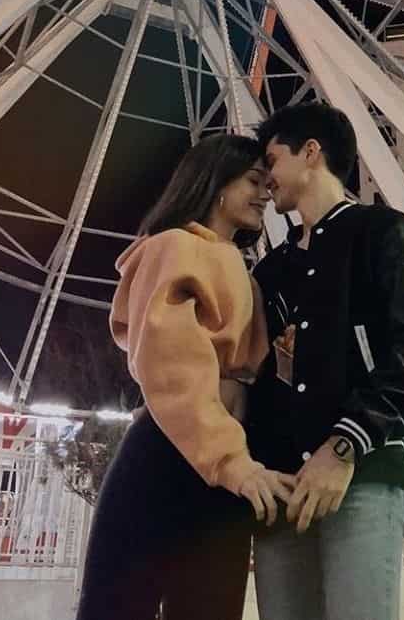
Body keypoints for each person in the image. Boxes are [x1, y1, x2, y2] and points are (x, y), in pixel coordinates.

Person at [247, 102, 404, 620]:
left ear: (311, 152)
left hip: (361, 476)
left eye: (272, 160)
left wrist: (343, 446)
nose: (265, 178)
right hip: (281, 490)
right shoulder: (274, 269)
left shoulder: (385, 234)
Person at [75, 134, 296, 620]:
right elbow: (172, 364)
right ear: (216, 183)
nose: (265, 194)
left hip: (227, 464)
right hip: (176, 454)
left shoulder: (240, 268)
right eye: (253, 181)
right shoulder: (175, 248)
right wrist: (232, 460)